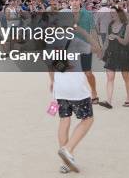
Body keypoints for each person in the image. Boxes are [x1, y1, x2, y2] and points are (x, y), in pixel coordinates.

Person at [49, 45, 94, 173]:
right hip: (76, 87)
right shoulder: (76, 40)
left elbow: (50, 65)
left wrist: (52, 81)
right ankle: (67, 149)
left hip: (60, 87)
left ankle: (65, 164)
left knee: (64, 120)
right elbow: (93, 50)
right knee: (88, 119)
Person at [99, 7, 129, 109]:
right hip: (111, 53)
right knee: (110, 77)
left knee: (126, 77)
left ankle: (128, 99)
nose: (112, 15)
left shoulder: (128, 25)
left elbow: (125, 42)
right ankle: (108, 101)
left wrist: (116, 37)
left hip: (123, 54)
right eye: (111, 13)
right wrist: (102, 51)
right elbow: (106, 41)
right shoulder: (110, 24)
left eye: (114, 13)